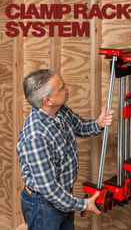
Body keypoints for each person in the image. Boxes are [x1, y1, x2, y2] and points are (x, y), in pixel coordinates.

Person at [17, 69, 114, 230]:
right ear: (47, 100)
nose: (67, 87)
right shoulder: (36, 136)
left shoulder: (59, 110)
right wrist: (83, 204)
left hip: (63, 198)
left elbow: (80, 127)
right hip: (43, 204)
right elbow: (50, 190)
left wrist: (99, 123)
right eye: (61, 87)